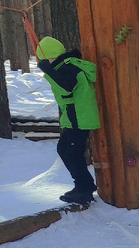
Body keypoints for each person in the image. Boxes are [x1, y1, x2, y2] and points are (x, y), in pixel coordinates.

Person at [36, 36, 99, 206]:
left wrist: (49, 71)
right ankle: (84, 186)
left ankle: (83, 188)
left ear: (49, 56)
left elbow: (67, 87)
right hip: (76, 117)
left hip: (78, 117)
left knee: (71, 152)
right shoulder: (68, 65)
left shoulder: (67, 67)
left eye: (43, 58)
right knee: (65, 150)